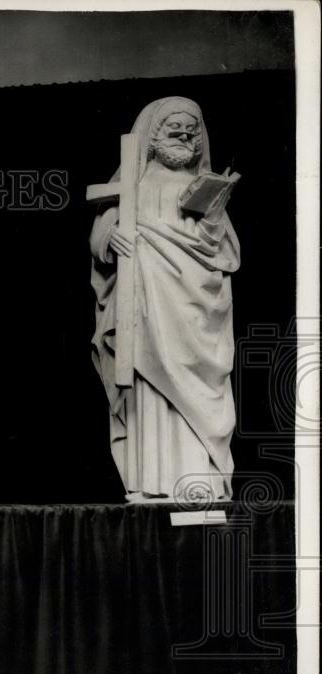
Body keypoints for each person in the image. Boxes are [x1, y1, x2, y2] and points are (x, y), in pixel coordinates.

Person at [90, 97, 240, 502]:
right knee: (149, 385)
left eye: (191, 128)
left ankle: (199, 478)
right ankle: (153, 480)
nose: (184, 134)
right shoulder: (130, 186)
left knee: (195, 386)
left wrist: (211, 217)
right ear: (152, 136)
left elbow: (219, 251)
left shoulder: (199, 187)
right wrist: (110, 238)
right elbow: (101, 233)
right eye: (174, 126)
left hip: (191, 308)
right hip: (145, 307)